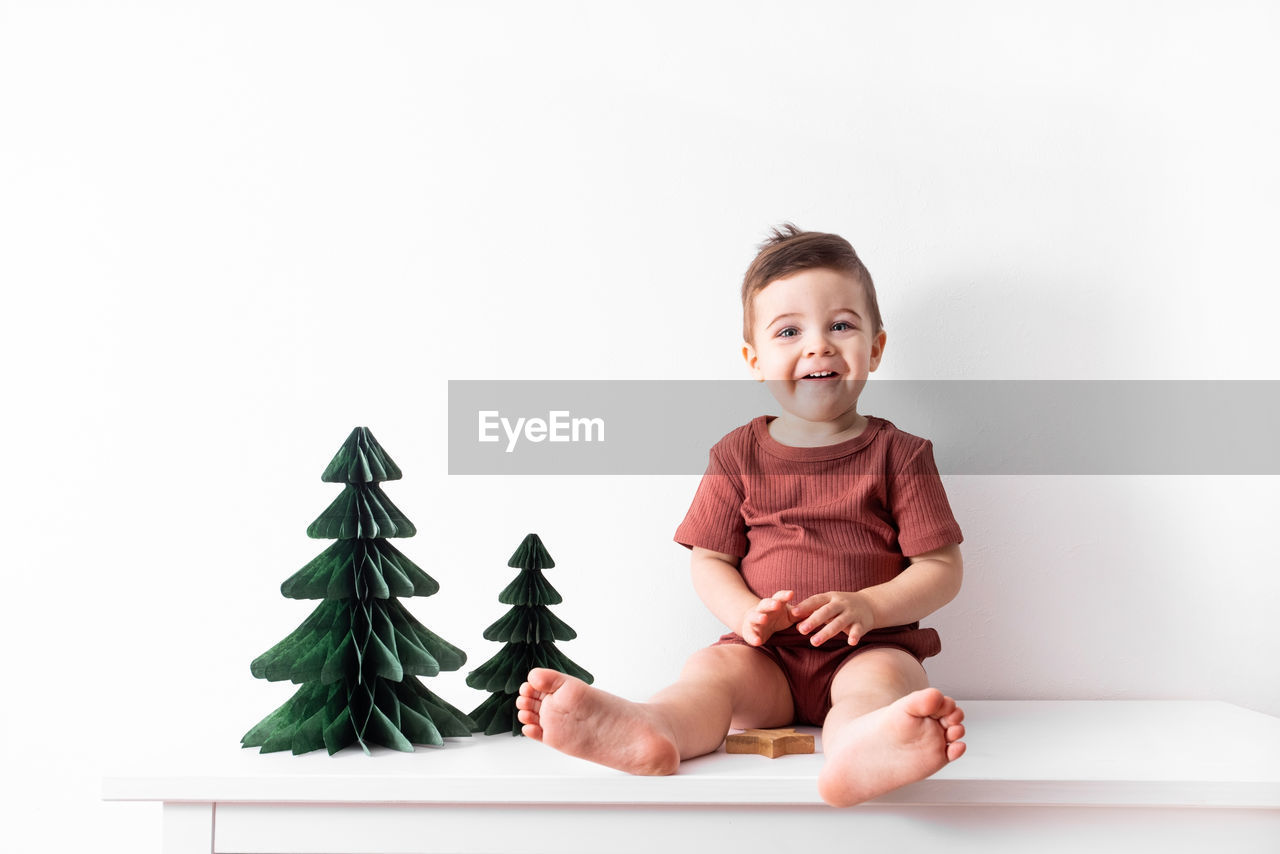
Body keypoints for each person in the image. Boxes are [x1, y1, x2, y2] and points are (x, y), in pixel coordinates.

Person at [516, 224, 966, 806]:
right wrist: (748, 615)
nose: (818, 346)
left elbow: (941, 568)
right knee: (710, 675)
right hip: (766, 657)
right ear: (756, 359)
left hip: (870, 647)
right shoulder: (737, 454)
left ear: (875, 348)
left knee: (879, 687)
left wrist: (871, 605)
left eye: (841, 325)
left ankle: (859, 747)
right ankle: (656, 729)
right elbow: (710, 561)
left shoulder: (900, 455)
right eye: (789, 331)